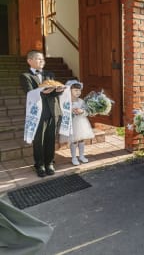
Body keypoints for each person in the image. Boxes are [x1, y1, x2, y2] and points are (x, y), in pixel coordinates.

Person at [20, 50, 64, 178]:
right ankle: (39, 165)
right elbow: (29, 93)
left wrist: (59, 91)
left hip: (52, 110)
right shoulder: (25, 76)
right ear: (30, 61)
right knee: (39, 140)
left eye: (43, 59)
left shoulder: (49, 74)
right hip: (38, 113)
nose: (42, 61)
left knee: (51, 138)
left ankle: (49, 163)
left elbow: (53, 92)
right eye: (39, 59)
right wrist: (41, 92)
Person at [60, 80, 94, 166]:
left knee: (81, 140)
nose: (78, 92)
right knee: (74, 141)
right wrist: (70, 111)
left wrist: (82, 111)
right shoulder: (66, 102)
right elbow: (62, 112)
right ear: (69, 90)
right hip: (72, 124)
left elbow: (87, 112)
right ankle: (74, 157)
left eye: (79, 90)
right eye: (75, 90)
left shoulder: (81, 101)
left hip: (81, 123)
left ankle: (81, 156)